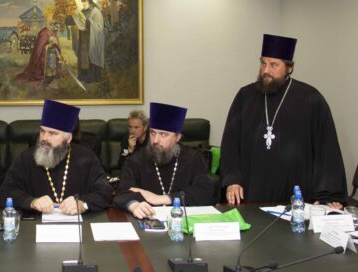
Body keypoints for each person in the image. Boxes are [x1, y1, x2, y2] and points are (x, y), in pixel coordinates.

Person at [221, 34, 347, 207]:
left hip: (297, 196)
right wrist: (232, 179)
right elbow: (230, 143)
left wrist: (328, 195)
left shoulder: (311, 99)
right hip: (251, 192)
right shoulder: (245, 96)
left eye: (274, 65)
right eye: (263, 63)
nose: (266, 70)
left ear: (290, 68)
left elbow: (326, 148)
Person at [0, 100, 111, 215]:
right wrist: (32, 202)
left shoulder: (87, 157)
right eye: (42, 131)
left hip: (79, 222)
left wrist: (83, 204)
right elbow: (4, 192)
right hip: (35, 222)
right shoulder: (26, 158)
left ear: (68, 138)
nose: (44, 138)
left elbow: (104, 192)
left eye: (52, 133)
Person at [114, 103, 213, 219]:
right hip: (147, 221)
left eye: (163, 134)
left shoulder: (194, 158)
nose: (155, 140)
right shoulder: (135, 160)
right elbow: (121, 192)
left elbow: (205, 192)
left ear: (177, 137)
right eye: (152, 133)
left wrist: (161, 199)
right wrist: (134, 205)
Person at [69, 0, 105, 83]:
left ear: (89, 1)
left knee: (90, 56)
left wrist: (87, 22)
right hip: (83, 39)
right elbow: (77, 21)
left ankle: (92, 76)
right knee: (83, 57)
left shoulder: (95, 11)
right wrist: (72, 20)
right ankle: (83, 76)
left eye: (84, 1)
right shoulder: (82, 11)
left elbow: (99, 27)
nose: (83, 3)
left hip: (92, 39)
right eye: (82, 1)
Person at [15, 20, 63, 85]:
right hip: (44, 56)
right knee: (47, 70)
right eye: (56, 27)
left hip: (52, 55)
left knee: (52, 67)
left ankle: (52, 76)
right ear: (52, 25)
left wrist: (58, 55)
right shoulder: (44, 33)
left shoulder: (54, 33)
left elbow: (56, 46)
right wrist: (49, 45)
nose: (57, 29)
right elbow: (39, 47)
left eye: (58, 28)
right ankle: (46, 79)